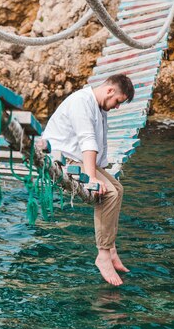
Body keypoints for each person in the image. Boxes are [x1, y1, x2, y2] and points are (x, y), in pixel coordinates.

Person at [43, 73, 135, 286]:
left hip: (75, 156)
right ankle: (102, 254)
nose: (117, 107)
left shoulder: (99, 106)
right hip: (61, 158)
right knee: (109, 194)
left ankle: (111, 248)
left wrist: (102, 174)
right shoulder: (81, 102)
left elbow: (97, 148)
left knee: (117, 189)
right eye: (118, 102)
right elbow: (87, 141)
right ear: (110, 91)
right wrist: (93, 179)